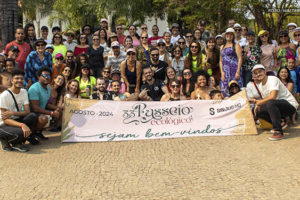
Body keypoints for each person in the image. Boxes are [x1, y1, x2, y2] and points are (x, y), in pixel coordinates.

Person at [252, 64, 298, 140]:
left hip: (290, 106)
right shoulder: (260, 86)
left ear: (265, 71)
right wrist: (258, 104)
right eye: (256, 73)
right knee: (257, 110)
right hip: (277, 107)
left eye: (260, 71)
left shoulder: (273, 79)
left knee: (271, 102)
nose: (258, 74)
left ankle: (278, 132)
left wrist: (259, 102)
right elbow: (266, 100)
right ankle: (280, 123)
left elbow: (272, 96)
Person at [0, 69, 38, 152]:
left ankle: (19, 140)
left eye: (21, 79)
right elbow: (5, 119)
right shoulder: (4, 96)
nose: (19, 80)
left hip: (15, 119)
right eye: (17, 78)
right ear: (12, 80)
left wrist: (12, 113)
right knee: (20, 132)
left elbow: (27, 111)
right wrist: (22, 125)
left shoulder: (24, 91)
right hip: (3, 125)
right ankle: (8, 141)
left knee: (32, 116)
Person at [28, 67, 62, 142]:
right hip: (31, 114)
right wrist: (51, 113)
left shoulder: (48, 88)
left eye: (49, 76)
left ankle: (38, 132)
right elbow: (35, 108)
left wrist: (57, 108)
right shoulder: (34, 88)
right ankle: (30, 135)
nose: (47, 77)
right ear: (38, 77)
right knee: (43, 119)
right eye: (44, 76)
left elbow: (45, 104)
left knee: (59, 111)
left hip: (40, 111)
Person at [220, 28, 243, 97]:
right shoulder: (222, 46)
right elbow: (220, 61)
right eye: (227, 34)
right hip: (225, 71)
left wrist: (238, 71)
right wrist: (222, 72)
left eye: (231, 34)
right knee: (224, 89)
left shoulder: (236, 45)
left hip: (234, 70)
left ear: (233, 36)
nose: (229, 35)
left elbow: (240, 58)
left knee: (235, 88)